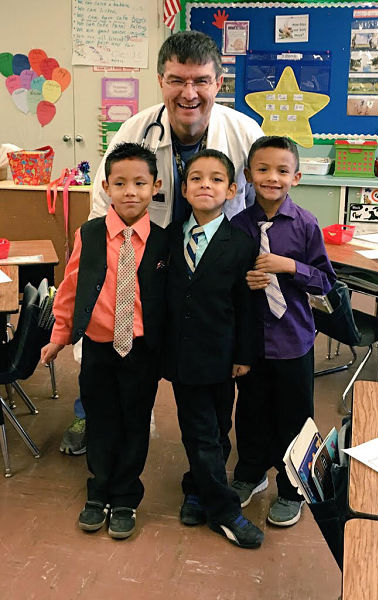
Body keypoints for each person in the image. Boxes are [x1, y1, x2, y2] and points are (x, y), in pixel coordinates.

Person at [61, 29, 264, 456]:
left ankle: (215, 451)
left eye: (201, 81)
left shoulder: (245, 132)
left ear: (218, 82)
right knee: (118, 342)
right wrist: (106, 263)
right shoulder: (133, 132)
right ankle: (93, 413)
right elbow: (103, 203)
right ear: (161, 80)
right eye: (177, 80)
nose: (189, 93)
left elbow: (267, 201)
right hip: (145, 259)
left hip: (216, 263)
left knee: (212, 356)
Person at [41, 143, 168, 539]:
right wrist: (59, 336)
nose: (130, 191)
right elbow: (71, 287)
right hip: (97, 347)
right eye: (120, 183)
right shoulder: (90, 234)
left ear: (155, 186)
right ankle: (98, 492)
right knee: (100, 419)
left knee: (134, 421)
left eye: (140, 183)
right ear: (106, 188)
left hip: (141, 351)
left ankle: (126, 495)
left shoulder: (165, 240)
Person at [230, 136, 336, 527]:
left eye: (281, 170)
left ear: (296, 175)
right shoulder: (239, 226)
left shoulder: (306, 224)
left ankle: (293, 489)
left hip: (293, 339)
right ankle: (251, 473)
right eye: (263, 170)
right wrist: (247, 280)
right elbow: (229, 283)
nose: (272, 178)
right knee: (252, 411)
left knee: (295, 417)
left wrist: (289, 266)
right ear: (248, 176)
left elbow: (326, 282)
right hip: (253, 342)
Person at [164, 148, 264, 549]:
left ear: (232, 189)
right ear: (184, 190)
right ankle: (225, 511)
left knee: (219, 428)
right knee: (200, 431)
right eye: (197, 178)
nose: (206, 184)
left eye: (216, 179)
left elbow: (246, 307)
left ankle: (195, 488)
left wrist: (244, 355)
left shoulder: (241, 244)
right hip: (183, 357)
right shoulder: (169, 239)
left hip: (224, 356)